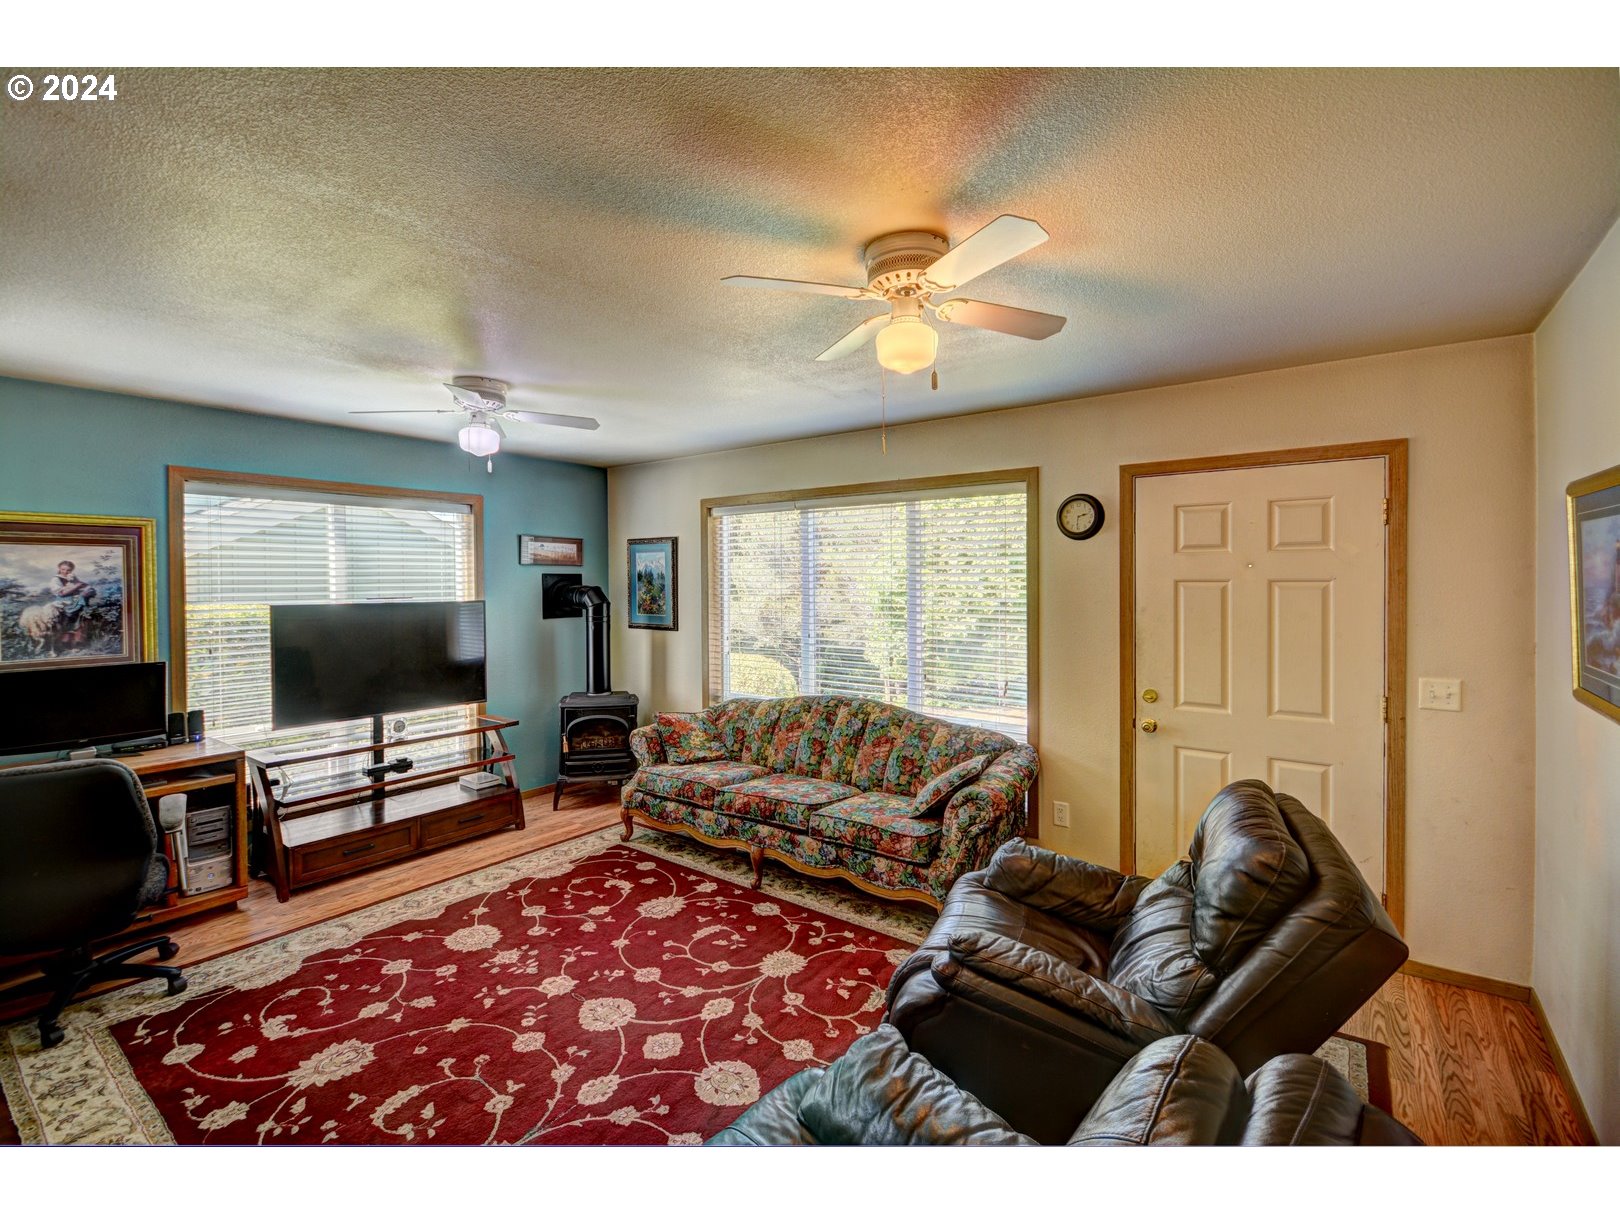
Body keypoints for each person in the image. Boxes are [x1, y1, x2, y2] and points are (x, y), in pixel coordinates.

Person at [45, 559, 97, 646]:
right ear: (59, 568)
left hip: (74, 600)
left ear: (71, 570)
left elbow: (82, 585)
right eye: (63, 569)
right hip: (63, 601)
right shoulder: (56, 579)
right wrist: (77, 586)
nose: (65, 572)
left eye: (68, 570)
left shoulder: (72, 576)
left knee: (82, 616)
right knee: (67, 620)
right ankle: (64, 642)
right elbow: (61, 593)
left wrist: (86, 588)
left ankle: (77, 640)